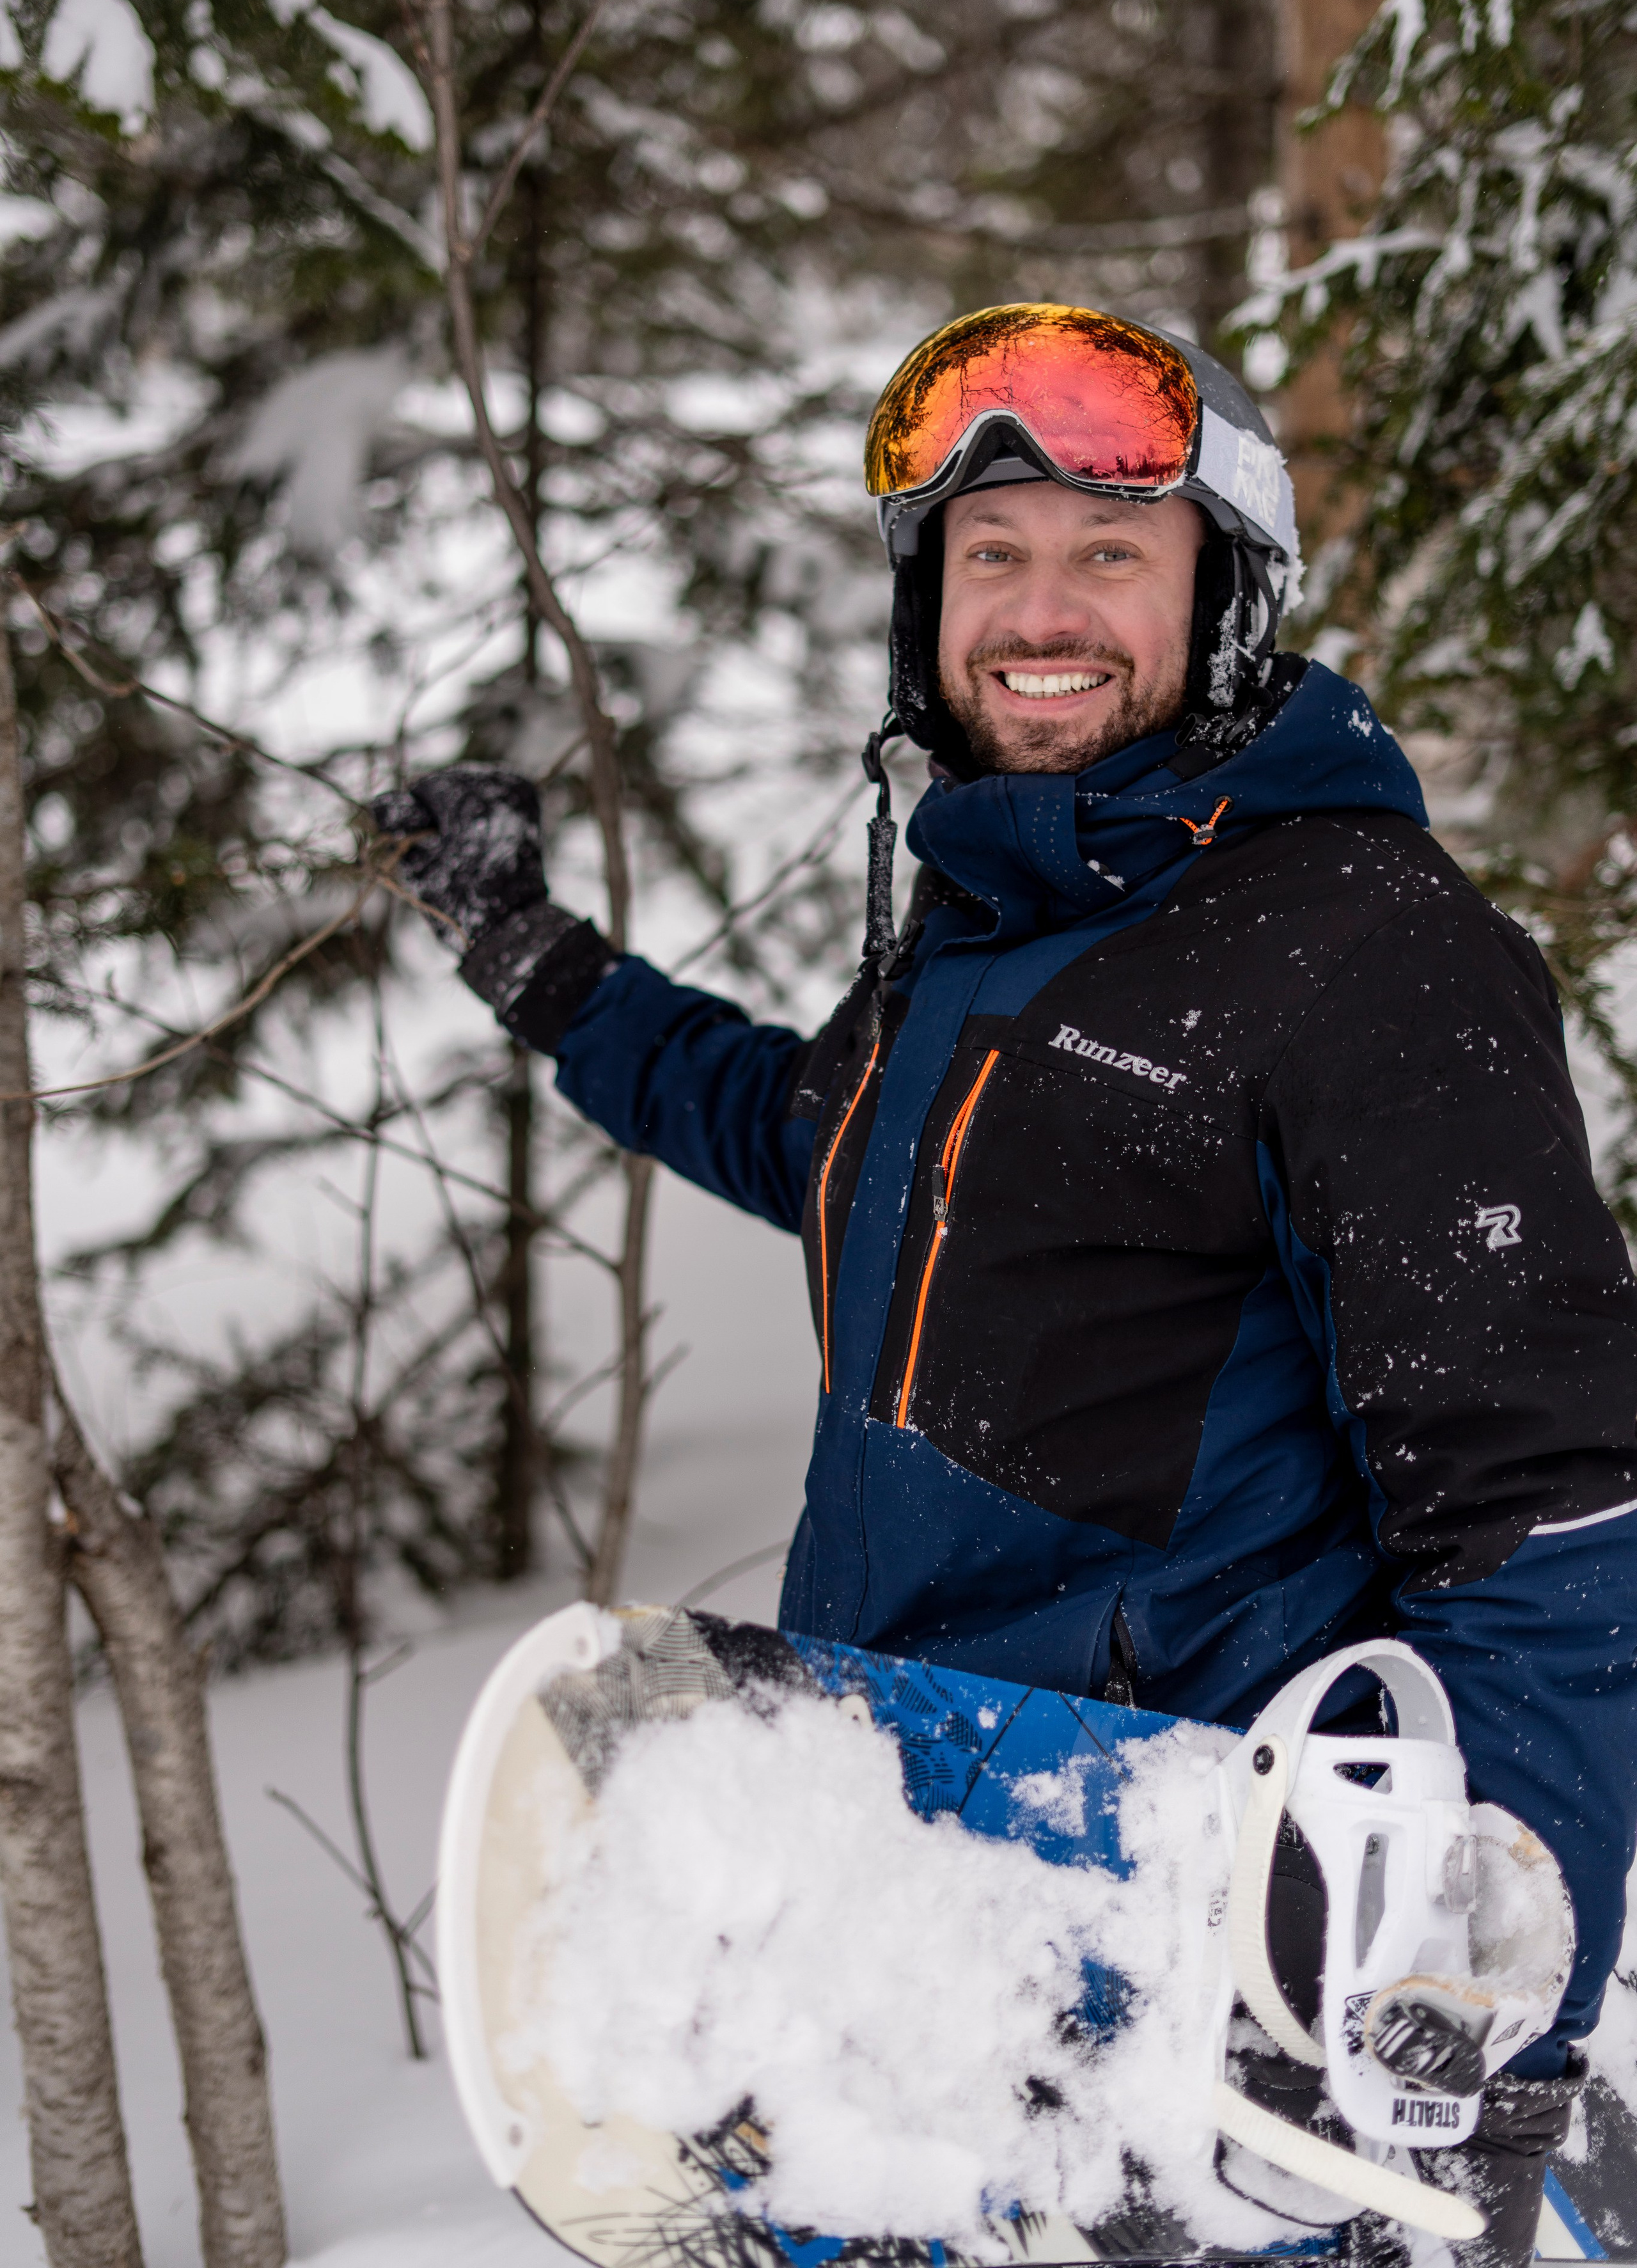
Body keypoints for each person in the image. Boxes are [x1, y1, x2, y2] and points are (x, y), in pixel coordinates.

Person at [373, 304, 1637, 2263]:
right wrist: (533, 957)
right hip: (920, 1880)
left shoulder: (1362, 950)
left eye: (1111, 555)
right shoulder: (979, 937)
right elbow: (801, 1136)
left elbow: (1556, 1512)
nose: (1043, 610)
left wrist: (1472, 1982)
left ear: (1223, 600)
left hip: (1213, 1975)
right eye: (994, 555)